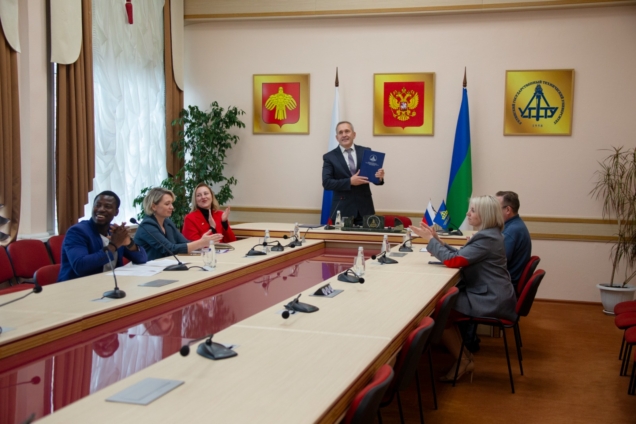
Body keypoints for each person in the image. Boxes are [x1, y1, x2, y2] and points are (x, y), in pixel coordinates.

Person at [409, 195, 517, 382]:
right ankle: (465, 358)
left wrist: (430, 241)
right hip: (491, 293)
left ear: (485, 214)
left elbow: (454, 261)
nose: (468, 213)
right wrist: (438, 240)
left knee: (440, 311)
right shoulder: (490, 234)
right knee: (444, 309)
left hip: (491, 299)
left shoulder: (487, 238)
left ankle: (463, 360)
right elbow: (461, 255)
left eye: (473, 210)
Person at [58, 191, 147, 282]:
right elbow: (80, 266)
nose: (101, 209)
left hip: (110, 284)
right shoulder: (77, 232)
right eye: (98, 205)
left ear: (116, 212)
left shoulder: (115, 232)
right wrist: (114, 245)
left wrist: (129, 243)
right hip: (77, 286)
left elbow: (142, 259)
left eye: (107, 206)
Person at [322, 121, 385, 225]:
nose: (344, 135)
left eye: (347, 131)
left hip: (365, 210)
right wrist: (350, 181)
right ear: (337, 137)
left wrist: (379, 177)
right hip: (342, 210)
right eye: (340, 132)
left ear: (354, 134)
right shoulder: (329, 157)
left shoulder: (366, 151)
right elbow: (327, 183)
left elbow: (372, 178)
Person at [133, 187, 222, 261]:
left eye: (171, 203)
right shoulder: (147, 226)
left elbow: (184, 242)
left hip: (167, 266)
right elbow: (169, 249)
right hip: (149, 270)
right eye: (167, 204)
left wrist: (204, 243)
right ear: (153, 206)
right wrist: (200, 243)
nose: (172, 207)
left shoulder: (167, 222)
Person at [496, 191, 532, 291]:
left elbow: (497, 263)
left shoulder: (511, 231)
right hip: (507, 282)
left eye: (495, 208)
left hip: (504, 287)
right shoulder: (515, 225)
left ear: (508, 210)